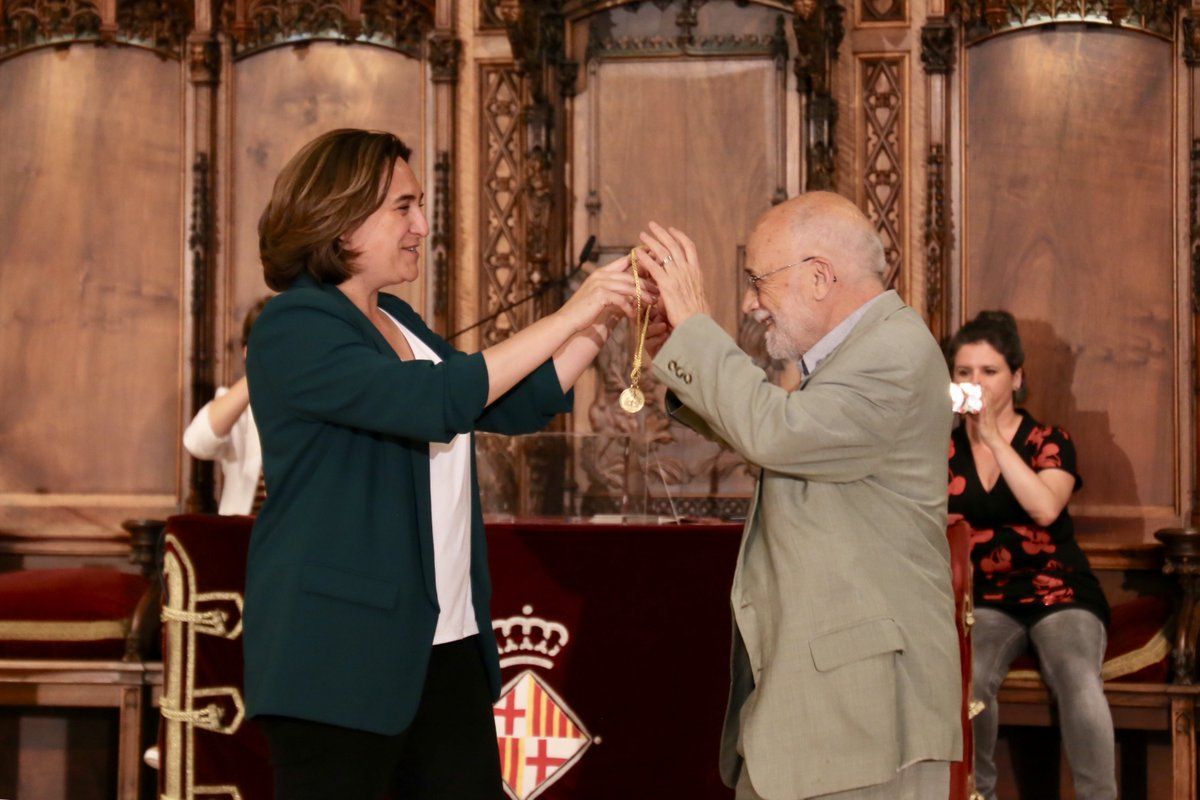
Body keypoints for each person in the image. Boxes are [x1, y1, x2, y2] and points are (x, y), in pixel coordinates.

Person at [243, 128, 640, 799]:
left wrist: (606, 319)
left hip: (446, 644)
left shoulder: (393, 316)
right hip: (339, 659)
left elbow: (513, 404)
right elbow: (437, 401)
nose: (421, 226)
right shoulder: (294, 327)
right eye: (404, 207)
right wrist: (575, 306)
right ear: (341, 221)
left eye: (419, 205)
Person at [638, 192, 961, 800]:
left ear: (819, 276)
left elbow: (779, 434)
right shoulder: (861, 353)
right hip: (823, 712)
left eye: (758, 281)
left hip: (863, 722)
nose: (749, 303)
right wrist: (681, 358)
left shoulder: (895, 349)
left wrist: (697, 332)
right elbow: (791, 432)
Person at [947, 311, 1114, 800]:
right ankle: (979, 796)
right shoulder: (941, 447)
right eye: (964, 372)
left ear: (1017, 379)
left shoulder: (1049, 440)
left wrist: (994, 437)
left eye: (990, 371)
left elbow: (1044, 508)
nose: (976, 382)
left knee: (1078, 677)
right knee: (970, 680)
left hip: (1057, 588)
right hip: (984, 600)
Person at [182, 296, 270, 515]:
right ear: (247, 351)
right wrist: (257, 371)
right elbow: (196, 443)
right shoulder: (236, 405)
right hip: (242, 537)